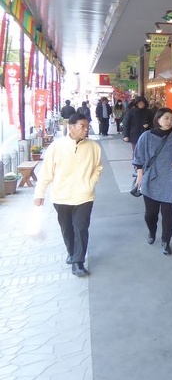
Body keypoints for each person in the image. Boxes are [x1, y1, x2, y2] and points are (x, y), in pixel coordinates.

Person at [33, 113, 103, 277]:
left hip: (84, 196)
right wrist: (39, 194)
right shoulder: (57, 147)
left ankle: (78, 261)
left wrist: (90, 183)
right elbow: (46, 172)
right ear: (70, 127)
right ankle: (71, 252)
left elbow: (98, 168)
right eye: (82, 126)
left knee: (80, 227)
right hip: (61, 196)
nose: (86, 129)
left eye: (87, 126)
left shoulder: (94, 147)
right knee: (66, 228)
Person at [133, 107, 172, 255]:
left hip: (170, 180)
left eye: (171, 119)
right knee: (150, 214)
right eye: (166, 118)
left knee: (167, 213)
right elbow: (138, 158)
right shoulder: (146, 136)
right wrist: (140, 176)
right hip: (150, 179)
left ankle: (166, 241)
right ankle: (152, 231)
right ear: (158, 119)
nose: (169, 121)